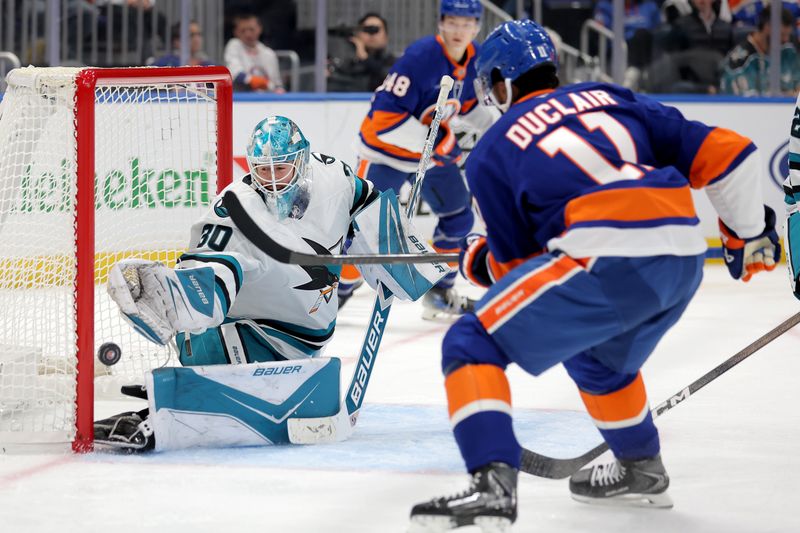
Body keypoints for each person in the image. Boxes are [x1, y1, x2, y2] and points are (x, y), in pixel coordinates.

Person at [409, 19, 779, 530]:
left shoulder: (493, 150)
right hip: (683, 255)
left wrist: (477, 261)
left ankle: (492, 485)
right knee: (598, 362)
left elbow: (521, 273)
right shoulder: (611, 97)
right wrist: (747, 233)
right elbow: (730, 153)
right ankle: (640, 467)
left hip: (604, 259)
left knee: (472, 343)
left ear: (500, 83)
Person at [93, 116, 445, 451]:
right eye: (263, 170)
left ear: (302, 161)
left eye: (281, 168)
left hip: (305, 328)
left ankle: (198, 392)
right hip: (251, 331)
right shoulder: (234, 208)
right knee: (210, 308)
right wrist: (177, 298)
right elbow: (211, 267)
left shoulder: (332, 176)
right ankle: (191, 364)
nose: (273, 180)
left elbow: (364, 197)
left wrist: (392, 242)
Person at [341, 0, 497, 320]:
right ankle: (332, 299)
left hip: (428, 157)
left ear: (477, 26)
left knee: (459, 220)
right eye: (453, 22)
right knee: (360, 236)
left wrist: (501, 127)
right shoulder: (420, 57)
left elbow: (466, 107)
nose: (459, 31)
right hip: (385, 153)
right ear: (441, 22)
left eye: (467, 24)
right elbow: (384, 121)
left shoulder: (474, 57)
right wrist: (439, 141)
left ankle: (438, 292)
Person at [720, 6, 800, 96]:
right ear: (767, 27)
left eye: (788, 35)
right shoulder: (739, 63)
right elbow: (745, 101)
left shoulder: (788, 51)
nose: (786, 39)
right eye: (782, 35)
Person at [328, 12, 397, 92]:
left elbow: (388, 77)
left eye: (375, 30)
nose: (371, 35)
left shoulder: (392, 62)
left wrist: (365, 58)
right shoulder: (347, 60)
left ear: (386, 37)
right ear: (358, 34)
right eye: (367, 30)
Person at [225, 13, 285, 93]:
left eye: (251, 29)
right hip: (240, 98)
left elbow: (277, 84)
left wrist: (278, 89)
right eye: (243, 30)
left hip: (265, 100)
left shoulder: (269, 54)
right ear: (236, 32)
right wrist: (261, 82)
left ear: (260, 29)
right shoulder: (234, 45)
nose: (248, 34)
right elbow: (236, 75)